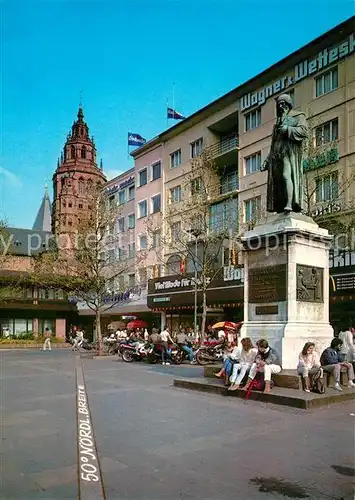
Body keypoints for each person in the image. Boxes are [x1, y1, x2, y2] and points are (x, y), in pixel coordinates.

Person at [262, 93, 308, 214]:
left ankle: (289, 204)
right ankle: (281, 205)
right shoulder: (277, 123)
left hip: (288, 152)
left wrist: (287, 129)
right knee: (278, 181)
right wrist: (267, 160)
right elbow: (274, 143)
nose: (281, 106)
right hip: (276, 155)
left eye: (283, 103)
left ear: (288, 104)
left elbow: (303, 131)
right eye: (279, 104)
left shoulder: (298, 116)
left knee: (286, 175)